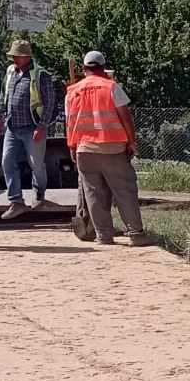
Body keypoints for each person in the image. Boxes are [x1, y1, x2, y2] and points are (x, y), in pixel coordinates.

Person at [65, 51, 151, 246]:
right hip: (112, 148)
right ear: (103, 68)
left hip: (84, 149)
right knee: (124, 191)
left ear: (84, 68)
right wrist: (132, 142)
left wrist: (71, 146)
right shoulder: (111, 86)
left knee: (93, 194)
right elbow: (125, 116)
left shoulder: (72, 91)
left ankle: (103, 235)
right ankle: (136, 234)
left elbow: (69, 123)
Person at [0, 39, 62, 220]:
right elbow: (3, 95)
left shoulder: (40, 75)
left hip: (33, 127)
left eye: (17, 56)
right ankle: (16, 201)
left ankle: (39, 195)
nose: (14, 59)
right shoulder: (11, 72)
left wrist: (42, 126)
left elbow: (49, 103)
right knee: (7, 161)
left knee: (36, 164)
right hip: (12, 127)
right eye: (13, 56)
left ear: (27, 57)